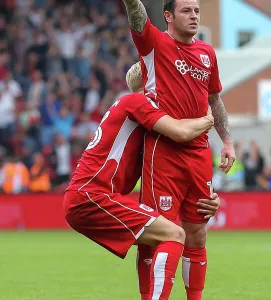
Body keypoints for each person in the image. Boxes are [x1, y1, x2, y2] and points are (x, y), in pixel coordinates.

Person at [63, 63, 220, 300]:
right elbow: (180, 132)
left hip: (89, 196)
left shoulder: (140, 120)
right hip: (92, 196)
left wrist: (206, 194)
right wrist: (208, 120)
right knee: (175, 235)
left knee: (158, 236)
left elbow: (174, 164)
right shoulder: (136, 102)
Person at [122, 0, 236, 299]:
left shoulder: (207, 53)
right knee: (158, 232)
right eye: (187, 10)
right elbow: (137, 19)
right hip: (163, 150)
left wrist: (227, 140)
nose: (194, 16)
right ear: (168, 16)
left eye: (197, 10)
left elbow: (215, 99)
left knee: (197, 233)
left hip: (199, 153)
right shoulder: (155, 43)